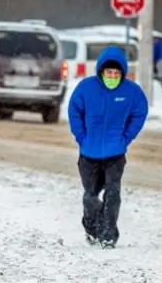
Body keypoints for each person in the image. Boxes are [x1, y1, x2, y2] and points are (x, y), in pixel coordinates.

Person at [67, 46, 149, 249]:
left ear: (122, 73)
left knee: (113, 193)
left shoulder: (132, 92)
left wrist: (126, 137)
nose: (112, 76)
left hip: (115, 154)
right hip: (89, 154)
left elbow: (140, 113)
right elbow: (74, 111)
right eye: (108, 72)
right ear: (101, 72)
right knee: (91, 196)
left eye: (116, 73)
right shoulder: (87, 88)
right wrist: (81, 137)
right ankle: (91, 227)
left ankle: (108, 234)